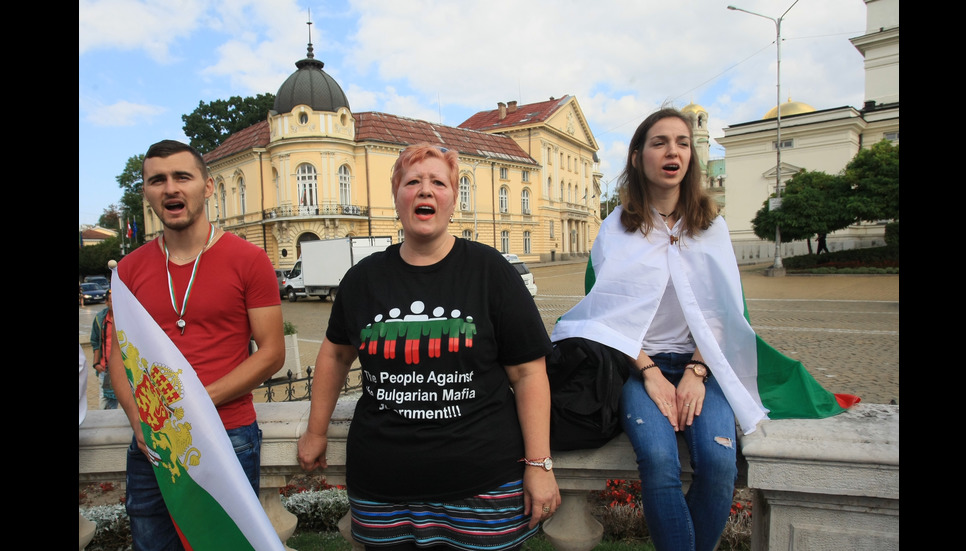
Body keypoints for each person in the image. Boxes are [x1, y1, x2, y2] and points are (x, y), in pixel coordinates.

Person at [297, 144, 560, 551]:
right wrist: (316, 431)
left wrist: (539, 464)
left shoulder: (492, 273)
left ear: (452, 199)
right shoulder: (362, 280)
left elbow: (528, 373)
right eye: (412, 182)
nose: (425, 190)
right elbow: (333, 354)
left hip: (484, 483)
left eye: (438, 182)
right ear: (396, 196)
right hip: (383, 485)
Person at [551, 108, 750, 551]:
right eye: (659, 142)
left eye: (681, 142)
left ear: (691, 157)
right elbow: (607, 315)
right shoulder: (615, 229)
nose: (672, 151)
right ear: (639, 157)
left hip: (705, 364)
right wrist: (650, 372)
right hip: (640, 365)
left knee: (719, 462)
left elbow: (724, 311)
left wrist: (697, 374)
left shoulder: (711, 228)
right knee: (659, 460)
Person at [108, 139, 285, 551]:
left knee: (222, 544)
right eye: (157, 180)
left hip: (227, 434)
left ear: (207, 187)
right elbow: (119, 359)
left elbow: (272, 352)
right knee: (152, 543)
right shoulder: (130, 270)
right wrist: (139, 422)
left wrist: (196, 405)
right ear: (147, 193)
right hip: (153, 441)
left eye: (182, 177)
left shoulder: (249, 260)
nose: (170, 188)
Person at [90, 289, 118, 409]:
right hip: (105, 368)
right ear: (106, 302)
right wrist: (96, 363)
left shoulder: (125, 319)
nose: (114, 303)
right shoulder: (100, 319)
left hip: (123, 368)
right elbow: (95, 341)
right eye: (111, 301)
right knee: (105, 400)